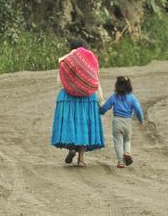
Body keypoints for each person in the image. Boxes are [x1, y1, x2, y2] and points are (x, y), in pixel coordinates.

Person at [51, 39, 105, 167]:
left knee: (71, 124)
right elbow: (95, 81)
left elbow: (59, 81)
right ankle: (81, 159)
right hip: (88, 98)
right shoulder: (91, 60)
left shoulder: (67, 61)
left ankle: (71, 149)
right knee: (84, 126)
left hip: (68, 97)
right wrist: (100, 100)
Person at [99, 76, 143, 168]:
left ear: (117, 86)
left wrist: (100, 111)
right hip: (128, 121)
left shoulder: (114, 97)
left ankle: (120, 162)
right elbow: (138, 109)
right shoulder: (132, 98)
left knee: (118, 142)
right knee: (127, 140)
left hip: (117, 121)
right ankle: (127, 152)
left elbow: (105, 107)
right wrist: (141, 120)